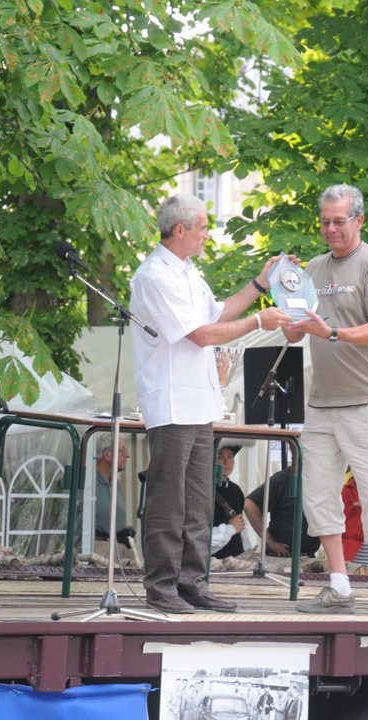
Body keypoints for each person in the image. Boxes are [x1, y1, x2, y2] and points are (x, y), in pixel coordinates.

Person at [129, 193, 292, 614]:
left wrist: (260, 285)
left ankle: (191, 582)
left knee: (199, 500)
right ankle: (161, 586)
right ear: (179, 229)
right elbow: (200, 335)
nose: (207, 234)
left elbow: (217, 314)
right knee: (169, 500)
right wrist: (258, 321)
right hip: (172, 402)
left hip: (200, 403)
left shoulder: (188, 272)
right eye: (201, 227)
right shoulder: (155, 277)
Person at [282, 183, 368, 620]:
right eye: (325, 221)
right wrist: (285, 287)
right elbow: (293, 332)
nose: (331, 229)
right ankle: (339, 585)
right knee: (318, 496)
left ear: (359, 219)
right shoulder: (314, 268)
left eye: (339, 221)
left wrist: (332, 332)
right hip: (321, 403)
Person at [244, 467, 321, 558]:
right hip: (280, 556)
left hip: (307, 555)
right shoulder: (282, 479)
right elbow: (249, 505)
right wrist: (269, 541)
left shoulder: (320, 479)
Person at [92, 432, 137, 563]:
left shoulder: (114, 483)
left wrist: (122, 531)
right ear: (107, 454)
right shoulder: (89, 482)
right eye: (122, 450)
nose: (127, 455)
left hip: (116, 548)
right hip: (96, 551)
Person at [211, 445, 247, 559]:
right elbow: (200, 538)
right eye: (220, 457)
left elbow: (239, 525)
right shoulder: (203, 489)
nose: (226, 462)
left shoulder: (236, 490)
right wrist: (231, 528)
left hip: (235, 559)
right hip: (213, 561)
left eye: (230, 457)